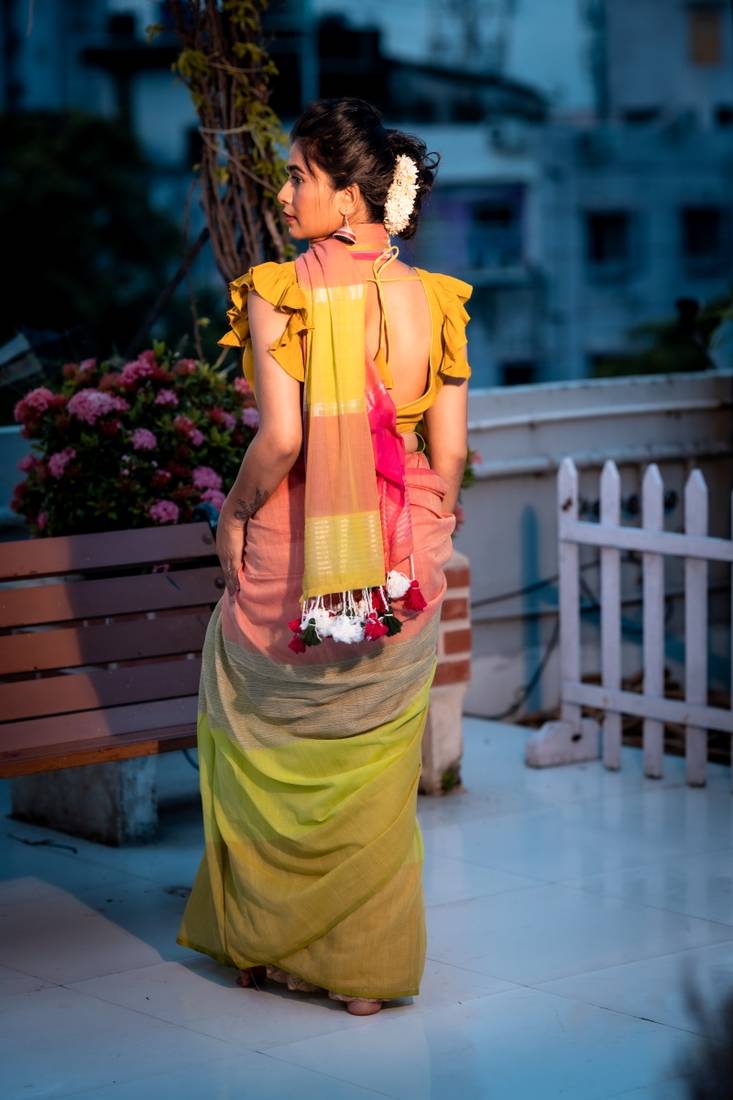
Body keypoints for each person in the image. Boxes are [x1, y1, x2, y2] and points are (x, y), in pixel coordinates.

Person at [176, 97, 472, 1017]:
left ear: (348, 197)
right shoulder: (435, 300)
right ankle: (360, 975)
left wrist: (231, 515)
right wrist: (421, 529)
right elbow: (450, 454)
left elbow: (281, 440)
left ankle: (266, 947)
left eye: (298, 174)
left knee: (256, 732)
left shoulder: (280, 291)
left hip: (294, 562)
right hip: (402, 563)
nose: (283, 190)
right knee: (374, 773)